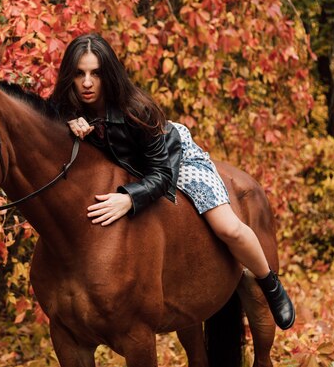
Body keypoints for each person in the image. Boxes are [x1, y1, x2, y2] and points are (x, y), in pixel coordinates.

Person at [49, 33, 295, 330]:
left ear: (109, 74)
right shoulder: (66, 107)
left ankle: (270, 284)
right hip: (127, 170)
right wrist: (68, 121)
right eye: (80, 73)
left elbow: (163, 174)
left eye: (96, 73)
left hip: (173, 159)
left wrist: (130, 198)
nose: (87, 82)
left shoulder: (137, 110)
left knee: (227, 228)